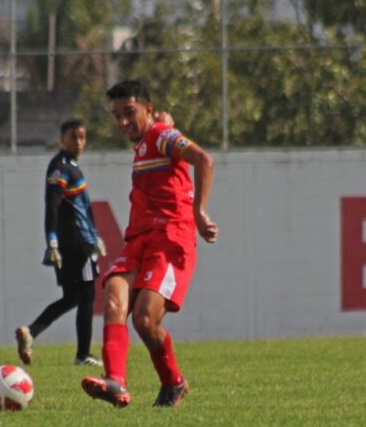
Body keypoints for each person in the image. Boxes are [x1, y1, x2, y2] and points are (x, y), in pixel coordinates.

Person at [81, 80, 218, 409]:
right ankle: (115, 382)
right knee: (114, 293)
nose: (123, 122)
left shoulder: (160, 136)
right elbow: (159, 136)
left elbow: (204, 160)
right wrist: (161, 123)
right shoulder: (149, 139)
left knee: (144, 320)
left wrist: (199, 213)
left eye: (129, 112)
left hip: (170, 239)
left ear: (148, 109)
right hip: (139, 240)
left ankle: (173, 383)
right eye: (117, 116)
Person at [15, 119, 107, 368]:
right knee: (88, 294)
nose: (78, 142)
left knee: (72, 297)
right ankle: (83, 355)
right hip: (77, 243)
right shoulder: (63, 169)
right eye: (73, 137)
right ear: (61, 140)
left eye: (82, 137)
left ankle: (31, 331)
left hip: (69, 243)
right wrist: (53, 241)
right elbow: (53, 207)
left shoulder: (65, 166)